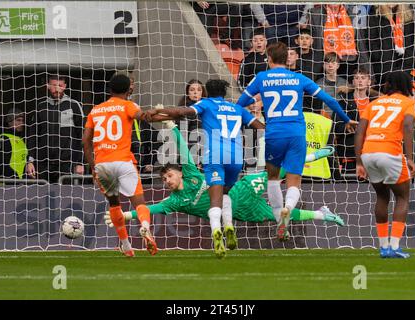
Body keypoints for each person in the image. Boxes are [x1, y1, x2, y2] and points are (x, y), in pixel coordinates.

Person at [104, 124, 344, 230]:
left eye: (168, 175)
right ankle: (324, 215)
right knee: (279, 215)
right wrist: (124, 214)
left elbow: (184, 150)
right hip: (243, 212)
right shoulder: (175, 202)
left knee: (274, 173)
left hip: (242, 190)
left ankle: (312, 156)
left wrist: (172, 127)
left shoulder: (191, 172)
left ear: (178, 172)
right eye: (164, 180)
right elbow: (151, 209)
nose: (167, 181)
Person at [237, 42, 357, 241]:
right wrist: (346, 119)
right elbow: (331, 100)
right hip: (296, 134)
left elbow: (240, 105)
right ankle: (289, 207)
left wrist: (256, 116)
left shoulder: (261, 78)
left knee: (273, 178)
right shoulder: (299, 78)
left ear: (269, 58)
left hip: (274, 133)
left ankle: (279, 219)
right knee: (294, 179)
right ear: (288, 59)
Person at [146, 79, 265, 259]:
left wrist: (159, 112)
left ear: (207, 92)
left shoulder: (206, 103)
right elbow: (260, 128)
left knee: (214, 198)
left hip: (215, 156)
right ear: (224, 93)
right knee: (226, 193)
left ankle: (217, 231)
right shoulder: (238, 108)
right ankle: (229, 225)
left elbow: (181, 112)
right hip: (236, 158)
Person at [82, 73, 158, 258]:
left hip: (103, 164)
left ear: (110, 89)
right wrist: (153, 113)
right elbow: (142, 116)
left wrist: (93, 166)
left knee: (114, 203)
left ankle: (126, 246)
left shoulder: (96, 110)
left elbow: (85, 141)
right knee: (139, 203)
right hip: (124, 161)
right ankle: (146, 228)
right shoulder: (128, 106)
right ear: (129, 89)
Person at [355, 71, 415, 258]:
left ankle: (383, 247)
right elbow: (407, 126)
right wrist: (410, 157)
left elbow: (359, 131)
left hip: (368, 152)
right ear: (407, 85)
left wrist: (359, 161)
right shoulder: (409, 103)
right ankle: (395, 246)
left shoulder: (373, 104)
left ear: (388, 85)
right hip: (390, 152)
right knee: (402, 197)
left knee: (382, 197)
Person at [27, 75, 84, 184]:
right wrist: (30, 161)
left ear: (65, 86)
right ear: (48, 86)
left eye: (60, 86)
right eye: (53, 85)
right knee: (41, 196)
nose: (57, 89)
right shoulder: (41, 106)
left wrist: (80, 163)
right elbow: (33, 136)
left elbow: (81, 136)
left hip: (67, 163)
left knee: (67, 197)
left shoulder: (74, 105)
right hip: (43, 163)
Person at [334, 67, 375, 174]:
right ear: (352, 82)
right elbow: (335, 127)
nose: (360, 80)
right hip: (350, 154)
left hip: (373, 152)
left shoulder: (376, 103)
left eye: (363, 78)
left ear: (369, 81)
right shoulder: (343, 102)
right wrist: (347, 127)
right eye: (357, 78)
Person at [0, 108, 36, 179]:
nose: (21, 123)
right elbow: (1, 165)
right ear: (10, 121)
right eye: (18, 120)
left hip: (22, 181)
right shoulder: (4, 138)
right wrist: (14, 178)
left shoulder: (22, 138)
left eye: (22, 121)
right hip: (10, 182)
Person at [315, 53, 350, 117]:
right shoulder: (318, 84)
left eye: (333, 63)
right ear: (323, 65)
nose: (330, 66)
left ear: (338, 65)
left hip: (342, 119)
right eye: (327, 63)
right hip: (324, 119)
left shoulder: (344, 83)